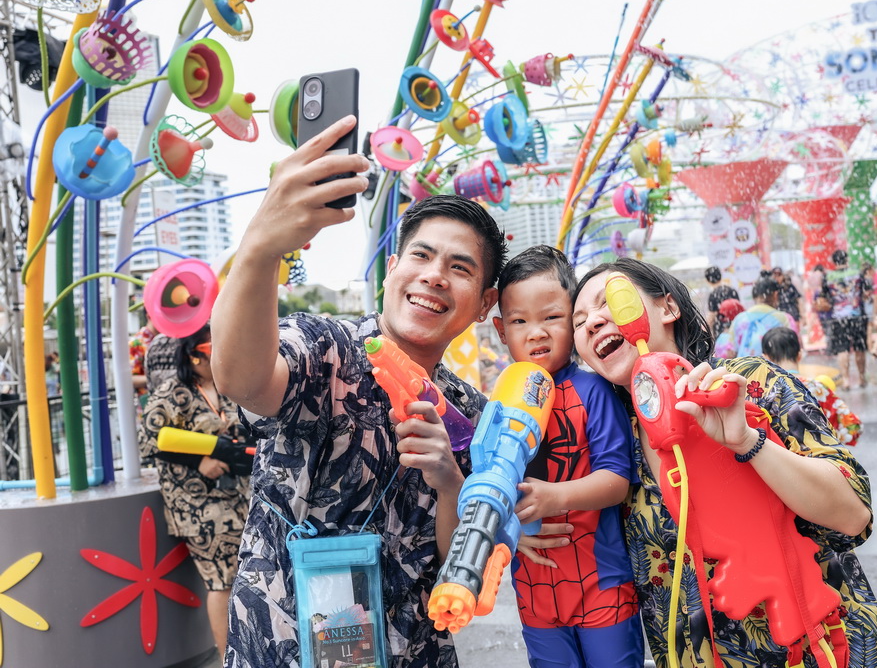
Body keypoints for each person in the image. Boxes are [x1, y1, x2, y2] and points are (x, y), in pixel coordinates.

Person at [213, 116, 505, 668]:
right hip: (282, 647)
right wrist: (259, 249)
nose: (434, 275)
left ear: (486, 304)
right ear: (392, 269)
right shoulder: (327, 348)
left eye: (459, 267)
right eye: (420, 256)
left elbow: (458, 571)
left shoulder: (471, 416)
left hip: (413, 651)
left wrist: (449, 483)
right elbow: (243, 379)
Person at [563, 257, 877, 667]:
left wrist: (748, 442)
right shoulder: (611, 442)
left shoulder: (748, 384)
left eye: (607, 300)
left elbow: (853, 515)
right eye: (578, 320)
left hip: (819, 650)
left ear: (667, 308)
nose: (591, 321)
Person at [492, 245, 642, 668]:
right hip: (534, 589)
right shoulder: (500, 400)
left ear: (574, 318)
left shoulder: (594, 391)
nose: (536, 332)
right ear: (502, 331)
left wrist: (554, 498)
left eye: (551, 318)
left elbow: (616, 480)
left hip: (602, 583)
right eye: (520, 321)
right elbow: (490, 486)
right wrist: (510, 528)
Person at [140, 325, 252, 662]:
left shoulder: (230, 388)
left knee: (243, 581)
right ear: (194, 355)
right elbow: (151, 441)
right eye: (214, 348)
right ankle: (228, 659)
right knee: (222, 582)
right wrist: (199, 459)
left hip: (240, 498)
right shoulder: (172, 394)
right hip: (197, 507)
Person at [760, 326, 862, 447]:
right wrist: (828, 436)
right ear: (799, 355)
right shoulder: (817, 388)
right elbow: (853, 427)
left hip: (779, 461)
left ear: (765, 358)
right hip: (819, 461)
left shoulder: (762, 393)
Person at [817, 250, 869, 389]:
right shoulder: (857, 273)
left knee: (842, 349)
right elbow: (866, 293)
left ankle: (846, 380)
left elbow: (823, 298)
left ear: (834, 261)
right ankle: (862, 378)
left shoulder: (828, 277)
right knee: (859, 348)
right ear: (846, 259)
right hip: (857, 316)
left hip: (838, 318)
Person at [714, 273, 797, 359]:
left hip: (745, 370)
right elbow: (794, 350)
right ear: (776, 295)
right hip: (775, 370)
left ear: (754, 296)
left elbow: (731, 352)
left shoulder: (740, 319)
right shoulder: (785, 319)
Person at [704, 266, 739, 340]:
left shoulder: (714, 294)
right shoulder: (732, 290)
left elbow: (712, 315)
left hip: (721, 330)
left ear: (708, 280)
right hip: (736, 327)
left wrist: (704, 329)